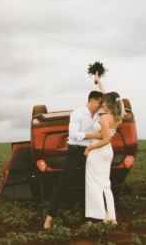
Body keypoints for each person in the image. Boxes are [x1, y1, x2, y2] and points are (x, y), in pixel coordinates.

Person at [44, 87, 104, 229]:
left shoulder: (97, 116)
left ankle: (88, 218)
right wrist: (94, 136)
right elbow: (73, 134)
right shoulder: (78, 113)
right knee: (62, 184)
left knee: (88, 185)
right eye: (99, 103)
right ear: (92, 100)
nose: (101, 106)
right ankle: (49, 219)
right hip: (75, 151)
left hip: (89, 153)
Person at [84, 76, 126, 226]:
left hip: (98, 152)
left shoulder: (104, 118)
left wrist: (89, 147)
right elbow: (109, 96)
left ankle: (100, 217)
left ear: (107, 103)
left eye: (103, 102)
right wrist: (99, 82)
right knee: (105, 185)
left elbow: (105, 139)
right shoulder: (118, 116)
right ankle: (111, 217)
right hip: (107, 153)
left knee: (93, 185)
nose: (101, 104)